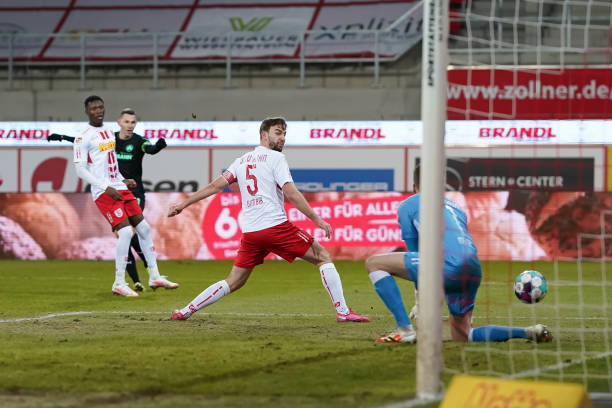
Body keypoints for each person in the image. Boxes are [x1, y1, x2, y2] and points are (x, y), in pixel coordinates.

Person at [167, 117, 369, 322]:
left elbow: (214, 187)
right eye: (278, 133)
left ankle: (185, 311)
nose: (282, 138)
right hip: (275, 227)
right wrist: (317, 220)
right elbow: (291, 193)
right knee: (323, 257)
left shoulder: (241, 161)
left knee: (234, 281)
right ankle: (343, 312)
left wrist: (182, 205)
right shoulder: (276, 159)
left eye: (284, 134)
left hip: (252, 233)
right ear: (264, 135)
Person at [364, 166, 552, 343]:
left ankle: (405, 331)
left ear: (414, 187)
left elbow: (415, 253)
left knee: (374, 263)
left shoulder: (409, 204)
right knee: (463, 334)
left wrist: (420, 300)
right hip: (472, 268)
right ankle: (529, 331)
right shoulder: (457, 208)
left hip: (445, 264)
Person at [48, 108, 168, 292]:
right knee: (127, 233)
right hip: (111, 189)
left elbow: (148, 148)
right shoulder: (109, 138)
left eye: (133, 122)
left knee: (135, 231)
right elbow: (85, 144)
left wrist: (157, 147)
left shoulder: (138, 141)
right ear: (119, 122)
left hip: (133, 191)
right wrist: (64, 137)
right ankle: (132, 279)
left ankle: (149, 273)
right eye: (127, 122)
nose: (130, 125)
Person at [70, 95, 178, 296]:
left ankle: (154, 275)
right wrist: (105, 186)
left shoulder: (109, 133)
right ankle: (119, 282)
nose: (98, 111)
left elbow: (110, 162)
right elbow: (80, 170)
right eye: (93, 108)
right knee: (127, 232)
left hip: (119, 185)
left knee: (144, 228)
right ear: (87, 111)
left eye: (101, 107)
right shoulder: (83, 136)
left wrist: (122, 179)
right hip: (103, 191)